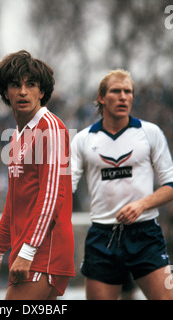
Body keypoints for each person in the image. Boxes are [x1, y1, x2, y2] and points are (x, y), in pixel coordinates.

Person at [71, 69, 173, 300]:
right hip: (102, 237)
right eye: (116, 91)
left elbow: (171, 185)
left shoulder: (150, 133)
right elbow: (66, 188)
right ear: (101, 97)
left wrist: (141, 205)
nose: (123, 97)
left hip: (145, 234)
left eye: (128, 92)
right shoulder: (83, 139)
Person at [0, 50, 75, 300]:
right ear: (5, 92)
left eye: (31, 84)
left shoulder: (51, 127)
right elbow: (14, 203)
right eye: (15, 85)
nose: (23, 91)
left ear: (41, 92)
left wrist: (28, 250)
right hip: (27, 251)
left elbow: (52, 195)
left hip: (45, 252)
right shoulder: (16, 137)